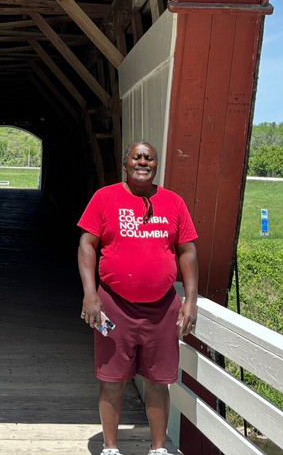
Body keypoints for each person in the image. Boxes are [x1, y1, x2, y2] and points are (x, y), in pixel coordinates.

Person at [77, 141, 199, 455]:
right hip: (114, 308)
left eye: (149, 157)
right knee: (112, 379)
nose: (143, 161)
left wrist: (191, 300)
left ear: (157, 164)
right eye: (137, 157)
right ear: (125, 163)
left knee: (159, 381)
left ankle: (158, 449)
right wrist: (91, 295)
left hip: (162, 310)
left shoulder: (173, 202)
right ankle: (110, 447)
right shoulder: (105, 198)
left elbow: (187, 251)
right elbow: (87, 245)